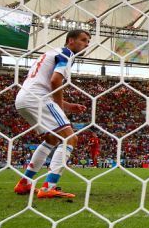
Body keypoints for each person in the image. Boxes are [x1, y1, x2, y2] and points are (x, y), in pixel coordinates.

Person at [14, 29, 91, 198]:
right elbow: (55, 81)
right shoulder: (66, 53)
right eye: (83, 40)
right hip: (38, 99)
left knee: (52, 139)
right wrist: (59, 107)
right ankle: (49, 187)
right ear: (70, 40)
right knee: (70, 138)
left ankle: (24, 183)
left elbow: (43, 84)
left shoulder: (50, 53)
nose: (86, 44)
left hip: (23, 99)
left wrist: (67, 106)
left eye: (88, 41)